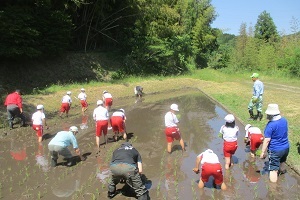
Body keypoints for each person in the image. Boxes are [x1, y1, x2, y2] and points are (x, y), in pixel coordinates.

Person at [260, 104, 289, 183]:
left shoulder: (271, 125)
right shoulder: (284, 120)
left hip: (275, 150)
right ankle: (282, 173)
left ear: (270, 115)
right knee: (282, 161)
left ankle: (273, 190)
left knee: (273, 169)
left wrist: (263, 152)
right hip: (286, 147)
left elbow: (267, 140)